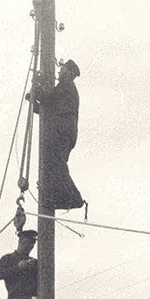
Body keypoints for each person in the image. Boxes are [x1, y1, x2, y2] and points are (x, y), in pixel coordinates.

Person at [35, 59, 84, 211]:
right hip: (63, 132)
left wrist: (36, 88)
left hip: (63, 132)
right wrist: (35, 102)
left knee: (56, 164)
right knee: (54, 164)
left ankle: (73, 198)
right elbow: (48, 110)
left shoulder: (66, 87)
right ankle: (59, 197)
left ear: (69, 73)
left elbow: (48, 100)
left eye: (61, 70)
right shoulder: (66, 88)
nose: (58, 72)